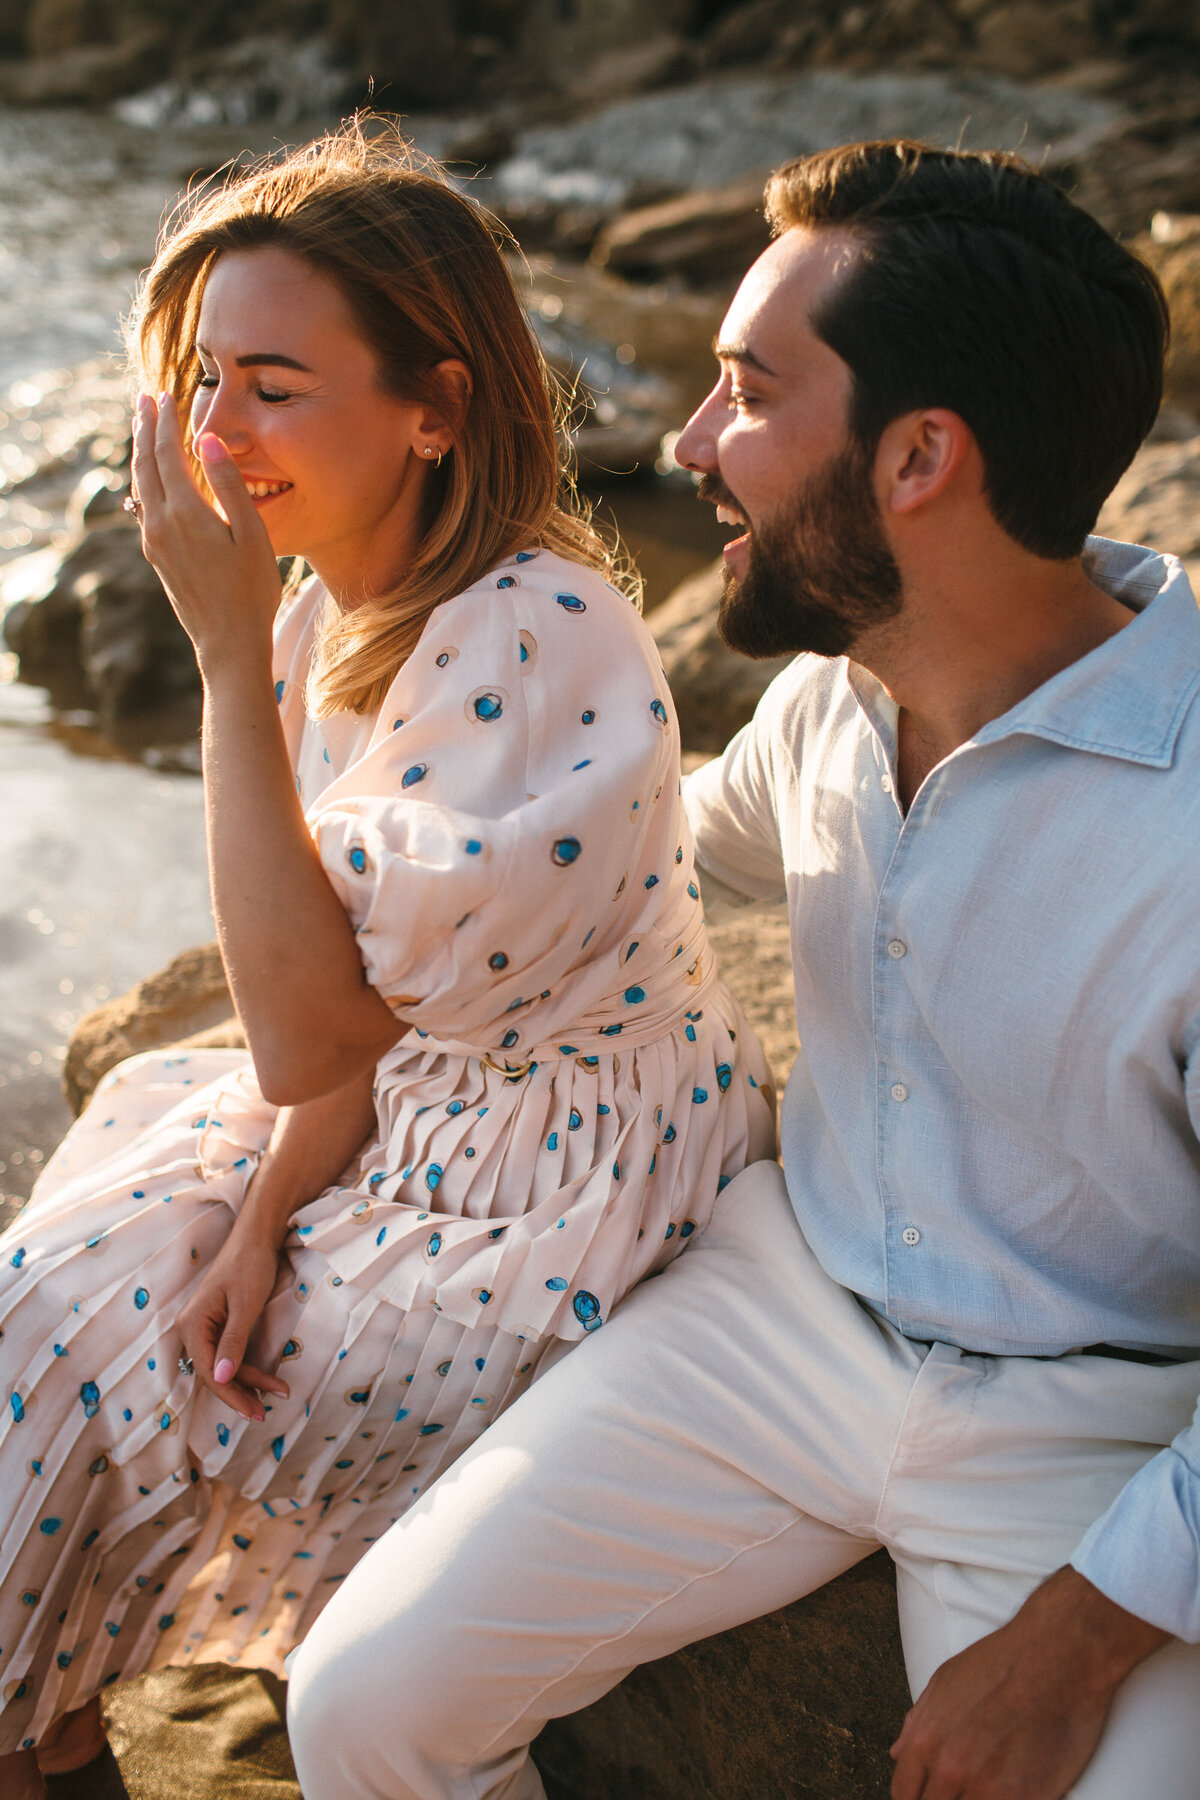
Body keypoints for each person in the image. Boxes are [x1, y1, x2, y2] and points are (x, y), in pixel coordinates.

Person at [283, 140, 1200, 1800]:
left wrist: (1080, 1636)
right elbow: (594, 883)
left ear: (921, 456)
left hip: (1096, 1426)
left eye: (745, 393)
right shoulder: (827, 703)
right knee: (360, 1710)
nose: (689, 446)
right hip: (778, 1314)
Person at [0, 122, 775, 1797]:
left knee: (150, 1372)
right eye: (203, 379)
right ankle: (48, 1719)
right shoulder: (338, 600)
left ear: (437, 406)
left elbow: (304, 1034)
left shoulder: (535, 640)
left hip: (558, 1172)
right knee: (63, 1285)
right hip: (409, 1104)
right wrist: (262, 1216)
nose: (215, 435)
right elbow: (339, 1053)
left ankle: (40, 1722)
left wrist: (213, 652)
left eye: (273, 385)